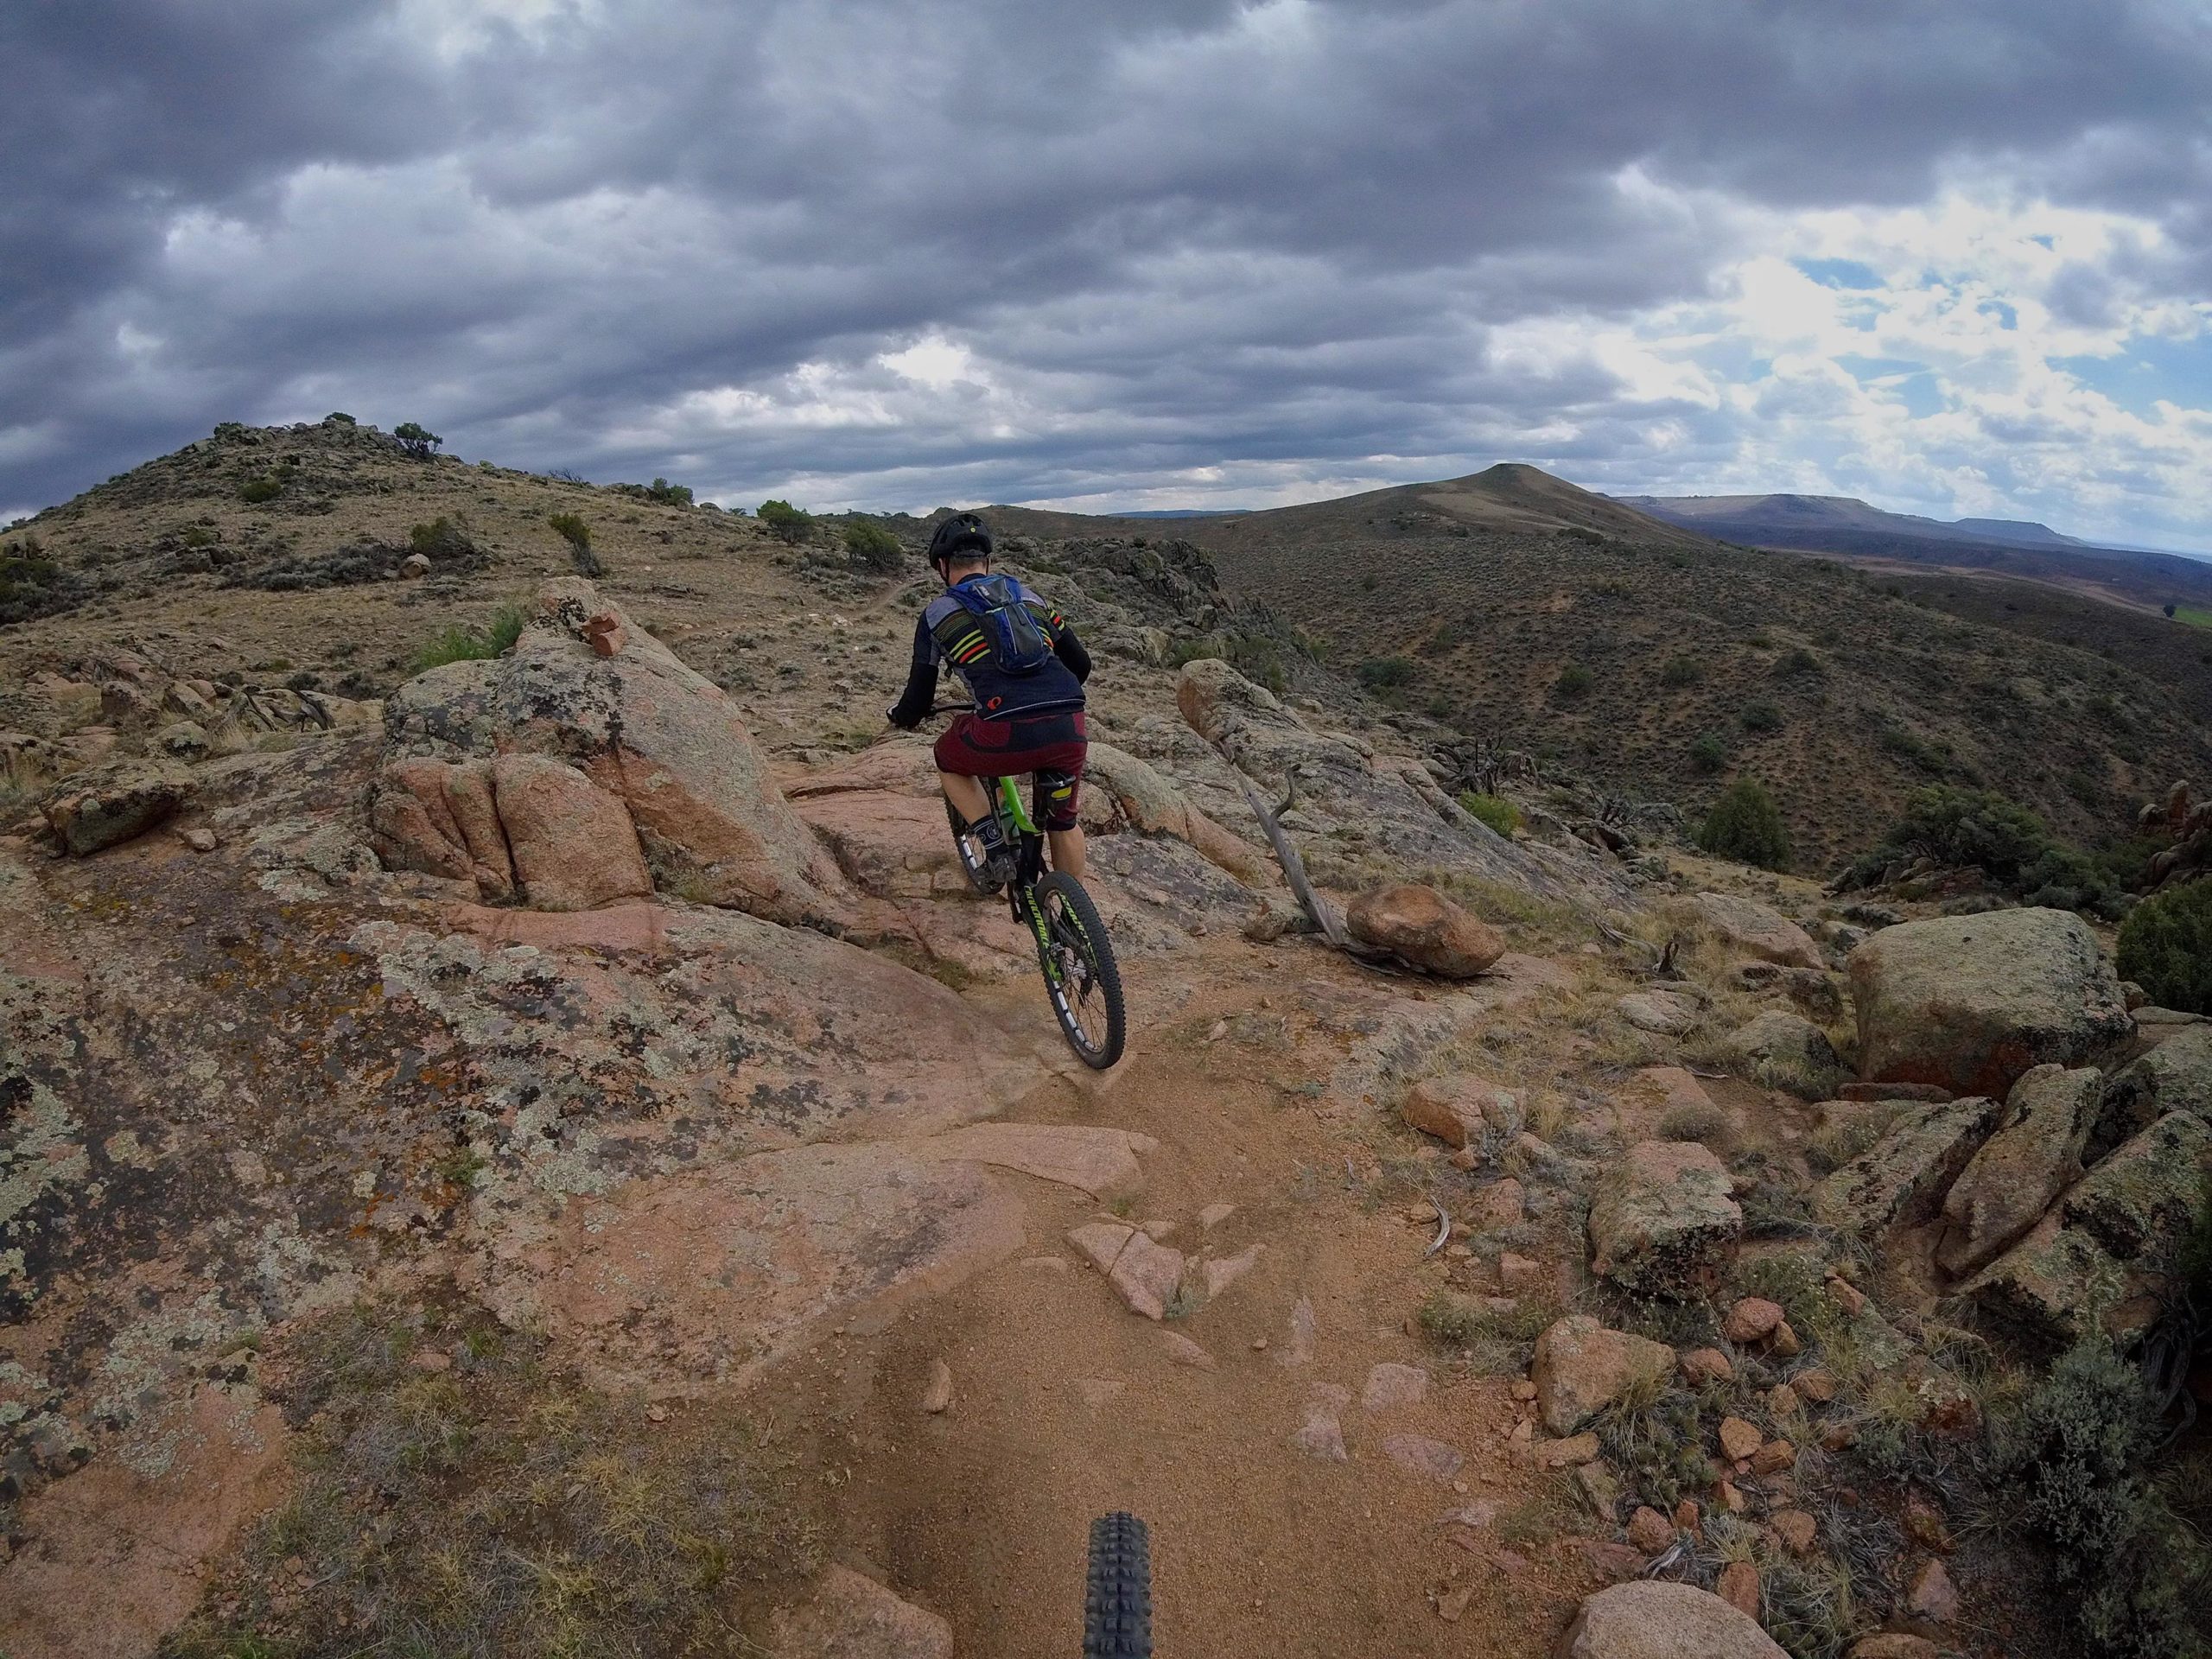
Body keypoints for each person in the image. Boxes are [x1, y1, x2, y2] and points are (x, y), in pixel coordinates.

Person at [887, 512, 1091, 885]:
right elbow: (1080, 665)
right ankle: (1072, 923)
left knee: (947, 758)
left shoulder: (937, 614)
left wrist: (901, 717)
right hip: (1069, 724)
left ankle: (993, 843)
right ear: (988, 562)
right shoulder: (1031, 598)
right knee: (1064, 823)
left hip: (1002, 732)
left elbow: (918, 698)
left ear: (942, 566)